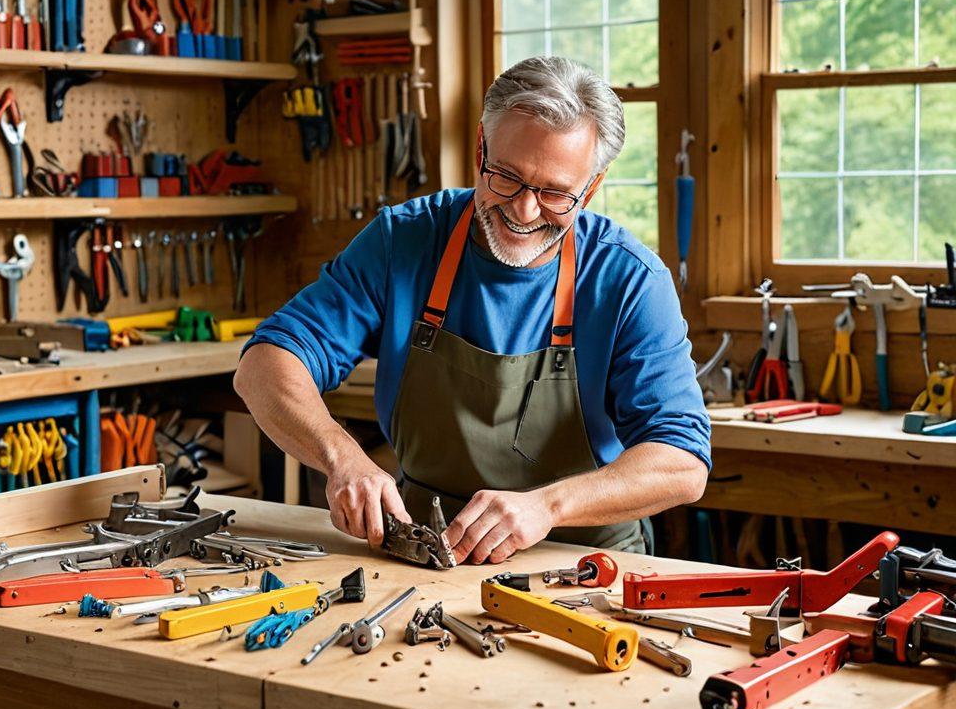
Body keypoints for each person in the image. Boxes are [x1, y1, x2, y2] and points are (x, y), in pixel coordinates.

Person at [236, 56, 710, 562]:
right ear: (481, 148)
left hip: (578, 563)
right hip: (423, 554)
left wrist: (548, 506)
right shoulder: (404, 241)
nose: (524, 211)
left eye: (555, 194)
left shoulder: (631, 279)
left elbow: (682, 462)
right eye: (506, 177)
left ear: (591, 188)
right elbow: (264, 365)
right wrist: (342, 458)